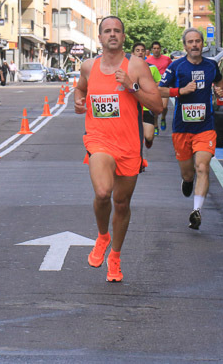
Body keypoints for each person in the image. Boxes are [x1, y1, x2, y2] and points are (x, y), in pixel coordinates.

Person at [74, 16, 162, 282]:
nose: (112, 34)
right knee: (103, 192)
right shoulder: (88, 67)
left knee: (121, 203)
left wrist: (131, 87)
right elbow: (80, 90)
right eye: (107, 31)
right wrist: (78, 101)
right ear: (100, 37)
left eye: (117, 31)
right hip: (98, 140)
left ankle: (115, 256)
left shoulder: (136, 66)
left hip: (128, 146)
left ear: (123, 37)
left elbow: (157, 106)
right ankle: (103, 236)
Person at [159, 28, 223, 230]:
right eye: (190, 42)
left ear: (202, 43)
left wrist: (219, 90)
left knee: (202, 167)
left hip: (205, 127)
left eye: (197, 41)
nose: (195, 45)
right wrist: (180, 91)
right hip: (182, 128)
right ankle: (187, 181)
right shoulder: (176, 66)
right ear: (185, 46)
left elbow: (219, 81)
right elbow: (158, 89)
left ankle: (197, 211)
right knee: (188, 174)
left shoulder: (211, 65)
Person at [131, 42, 162, 148]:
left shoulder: (152, 68)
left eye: (142, 51)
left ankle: (149, 140)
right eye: (137, 50)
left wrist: (150, 86)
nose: (140, 53)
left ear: (146, 53)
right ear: (133, 53)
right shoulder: (127, 67)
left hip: (147, 106)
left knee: (148, 136)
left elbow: (159, 82)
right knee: (134, 138)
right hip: (132, 106)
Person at [145, 41, 172, 131]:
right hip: (154, 86)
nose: (156, 50)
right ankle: (155, 124)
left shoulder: (167, 59)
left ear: (160, 49)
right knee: (155, 108)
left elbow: (172, 69)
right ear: (152, 50)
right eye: (154, 48)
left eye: (158, 48)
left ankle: (163, 118)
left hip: (164, 85)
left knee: (164, 106)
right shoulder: (148, 61)